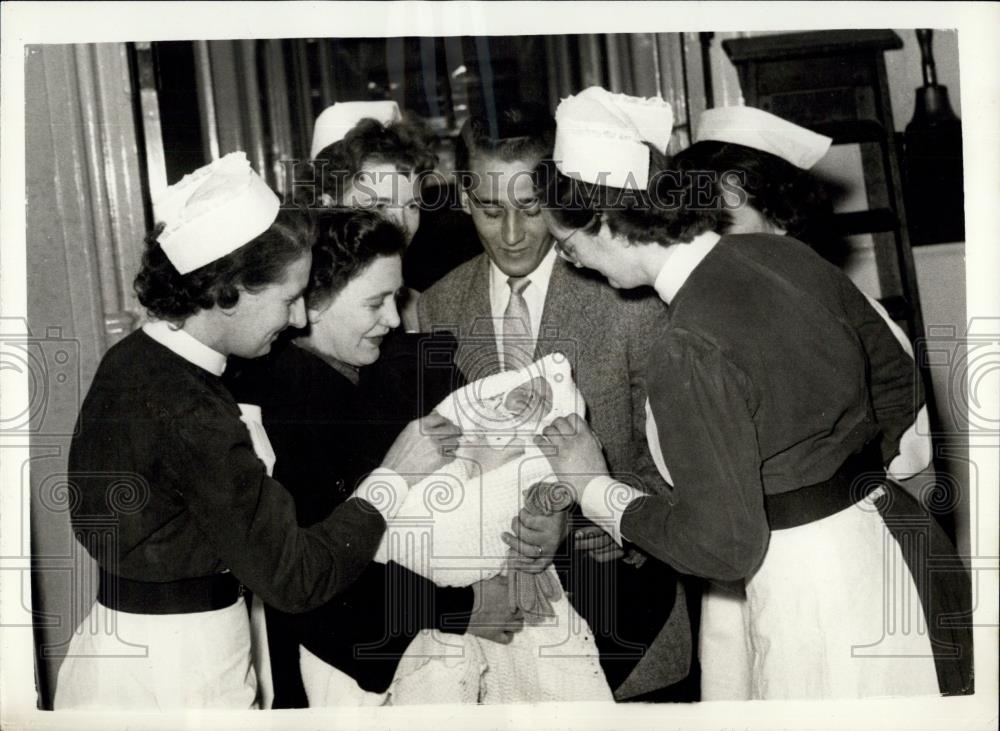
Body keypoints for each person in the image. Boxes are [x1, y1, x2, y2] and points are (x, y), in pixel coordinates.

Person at [535, 85, 972, 699]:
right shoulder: (779, 255)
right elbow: (898, 381)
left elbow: (726, 550)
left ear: (605, 220)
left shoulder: (684, 344)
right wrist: (848, 470)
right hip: (890, 550)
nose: (572, 263)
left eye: (567, 245)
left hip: (809, 595)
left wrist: (593, 487)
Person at [54, 153, 460, 710]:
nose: (298, 320)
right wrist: (393, 476)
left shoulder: (134, 360)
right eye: (289, 299)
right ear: (231, 292)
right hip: (181, 671)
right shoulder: (192, 410)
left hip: (127, 648)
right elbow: (297, 577)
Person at [417, 104, 694, 701]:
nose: (512, 234)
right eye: (491, 210)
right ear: (465, 197)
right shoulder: (434, 308)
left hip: (627, 633)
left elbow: (684, 476)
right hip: (493, 652)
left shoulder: (630, 297)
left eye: (530, 207)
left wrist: (593, 512)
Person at [225, 209, 522, 707]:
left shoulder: (407, 368)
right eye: (374, 303)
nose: (393, 317)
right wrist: (462, 607)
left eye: (397, 297)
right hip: (339, 667)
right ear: (311, 305)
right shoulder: (272, 407)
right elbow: (310, 579)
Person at [309, 100, 475, 330]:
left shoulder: (420, 309)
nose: (402, 226)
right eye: (379, 206)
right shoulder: (302, 316)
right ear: (326, 207)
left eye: (412, 206)